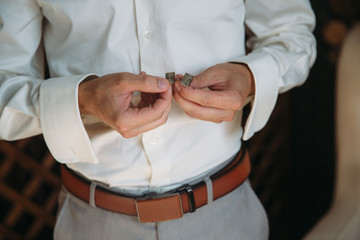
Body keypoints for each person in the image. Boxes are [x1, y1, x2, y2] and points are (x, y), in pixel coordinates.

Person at [0, 0, 316, 239]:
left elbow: (292, 36)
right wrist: (83, 99)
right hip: (92, 224)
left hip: (227, 217)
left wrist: (249, 78)